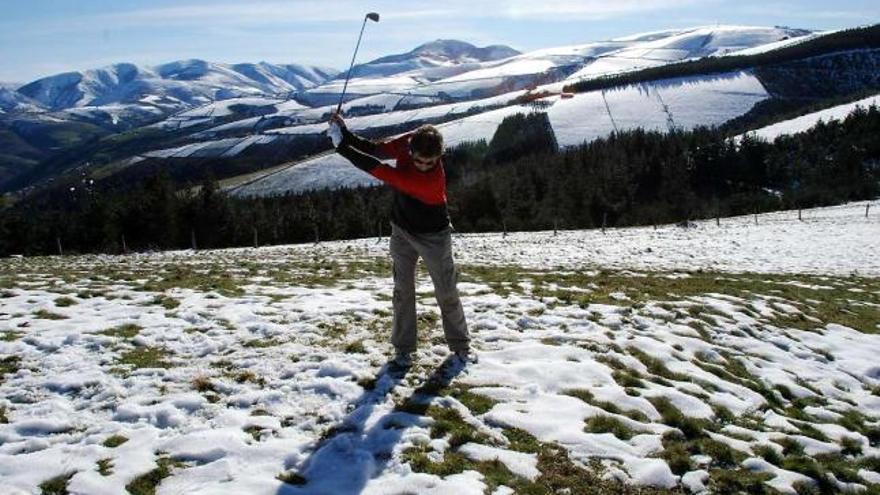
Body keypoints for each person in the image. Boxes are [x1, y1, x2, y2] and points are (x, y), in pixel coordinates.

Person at [327, 114, 474, 370]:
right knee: (402, 290)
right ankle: (403, 348)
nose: (423, 165)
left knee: (446, 290)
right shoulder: (408, 141)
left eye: (430, 162)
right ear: (410, 148)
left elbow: (377, 168)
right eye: (419, 160)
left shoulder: (428, 180)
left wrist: (341, 147)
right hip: (401, 229)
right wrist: (343, 130)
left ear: (439, 157)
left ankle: (460, 343)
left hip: (434, 236)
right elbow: (376, 149)